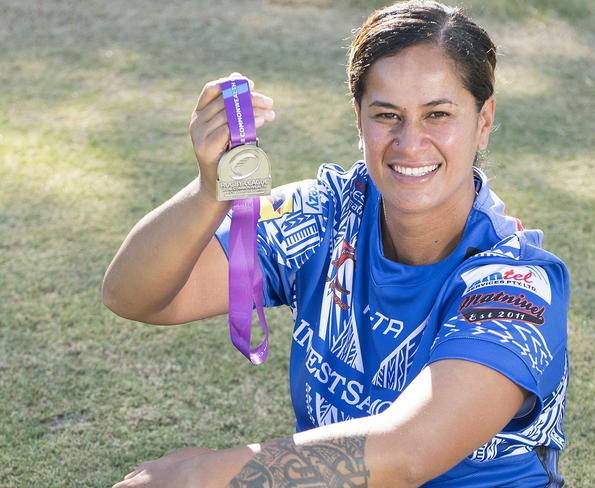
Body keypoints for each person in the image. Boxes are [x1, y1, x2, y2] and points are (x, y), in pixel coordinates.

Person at [103, 1, 569, 486]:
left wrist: (202, 476)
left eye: (438, 114)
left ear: (484, 118)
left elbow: (411, 450)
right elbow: (134, 295)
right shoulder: (326, 214)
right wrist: (210, 191)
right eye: (387, 115)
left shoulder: (515, 283)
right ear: (358, 117)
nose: (410, 143)